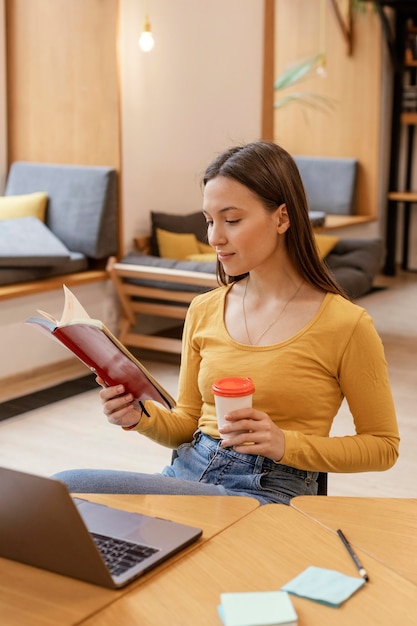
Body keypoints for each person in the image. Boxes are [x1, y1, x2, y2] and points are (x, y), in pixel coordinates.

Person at [54, 141, 399, 505]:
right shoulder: (204, 310)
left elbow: (382, 447)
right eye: (209, 220)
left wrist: (285, 444)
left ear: (282, 217)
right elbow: (187, 426)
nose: (214, 238)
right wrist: (141, 418)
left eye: (232, 220)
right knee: (64, 488)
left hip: (270, 490)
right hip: (191, 474)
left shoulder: (346, 324)